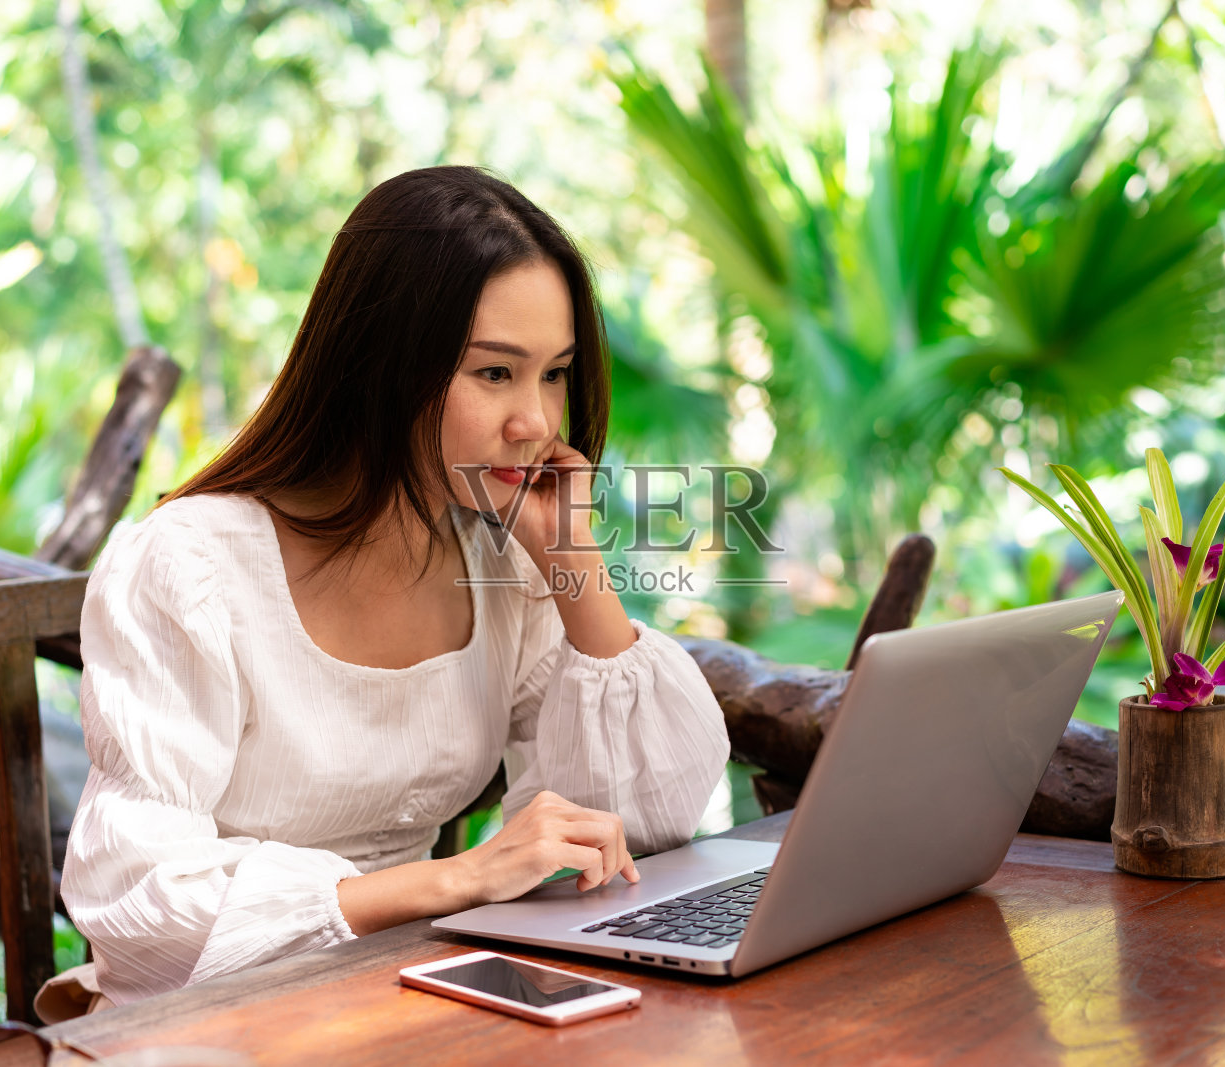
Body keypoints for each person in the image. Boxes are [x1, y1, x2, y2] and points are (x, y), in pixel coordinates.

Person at [41, 166, 730, 1016]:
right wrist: (460, 878)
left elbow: (640, 828)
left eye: (554, 373)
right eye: (494, 373)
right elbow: (142, 907)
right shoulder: (190, 568)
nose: (538, 424)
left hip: (408, 999)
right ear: (383, 364)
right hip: (218, 1022)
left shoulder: (500, 560)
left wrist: (572, 567)